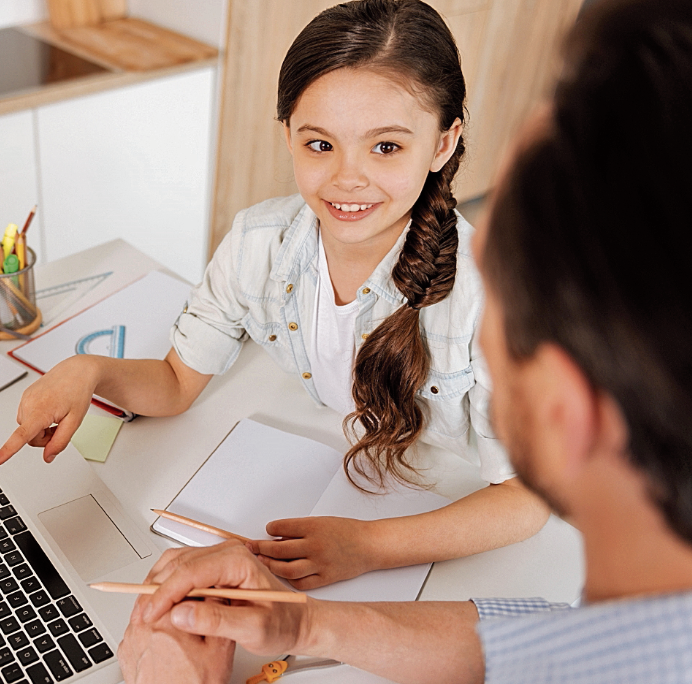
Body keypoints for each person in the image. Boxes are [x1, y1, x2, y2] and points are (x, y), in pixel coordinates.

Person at [117, 0, 692, 682]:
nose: (349, 175)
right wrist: (304, 624)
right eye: (320, 142)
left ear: (566, 408)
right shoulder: (633, 637)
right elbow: (538, 643)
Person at [0, 0, 549, 590]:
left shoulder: (490, 296)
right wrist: (89, 371)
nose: (347, 178)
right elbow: (179, 383)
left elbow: (527, 498)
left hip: (439, 516)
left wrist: (369, 546)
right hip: (334, 468)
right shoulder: (258, 244)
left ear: (442, 143)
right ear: (287, 136)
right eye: (320, 144)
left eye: (386, 147)